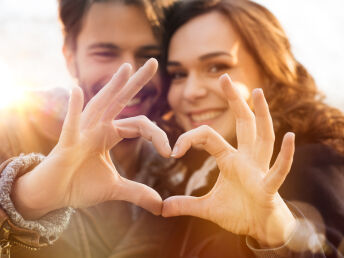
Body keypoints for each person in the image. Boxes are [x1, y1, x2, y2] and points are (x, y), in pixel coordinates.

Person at [0, 0, 175, 257]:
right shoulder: (11, 130)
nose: (127, 72)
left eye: (148, 56)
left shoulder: (183, 156)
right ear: (70, 58)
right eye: (105, 53)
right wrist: (23, 199)